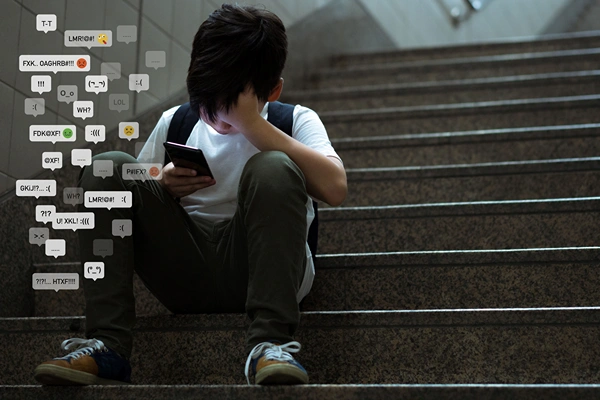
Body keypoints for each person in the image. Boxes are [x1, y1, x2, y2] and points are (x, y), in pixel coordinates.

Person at [33, 3, 347, 386]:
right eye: (207, 102)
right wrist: (161, 182)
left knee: (274, 167)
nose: (215, 117)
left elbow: (334, 187)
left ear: (273, 90)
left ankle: (270, 344)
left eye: (229, 105)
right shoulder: (178, 122)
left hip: (261, 270)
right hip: (184, 271)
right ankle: (108, 345)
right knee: (108, 166)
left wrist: (252, 125)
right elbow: (128, 192)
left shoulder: (295, 120)